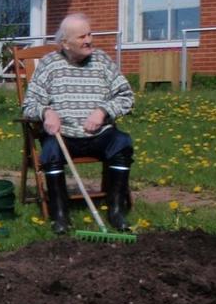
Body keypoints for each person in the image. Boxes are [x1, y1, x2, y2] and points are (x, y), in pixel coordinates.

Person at [21, 13, 135, 234]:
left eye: (90, 34)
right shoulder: (49, 65)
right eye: (82, 36)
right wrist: (46, 112)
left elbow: (126, 96)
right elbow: (28, 105)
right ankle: (60, 216)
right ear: (65, 43)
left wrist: (103, 111)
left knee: (122, 143)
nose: (89, 40)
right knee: (50, 153)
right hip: (63, 136)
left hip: (100, 134)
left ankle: (116, 211)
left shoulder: (101, 61)